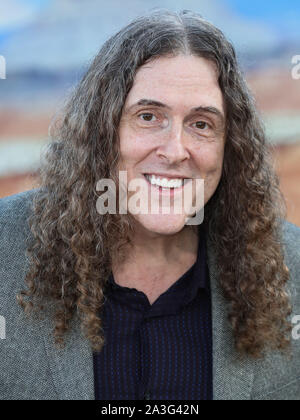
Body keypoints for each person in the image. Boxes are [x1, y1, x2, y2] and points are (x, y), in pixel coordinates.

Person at [0, 9, 299, 401]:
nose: (175, 151)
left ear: (231, 147)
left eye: (201, 124)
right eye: (148, 116)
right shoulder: (5, 249)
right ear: (102, 131)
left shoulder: (292, 266)